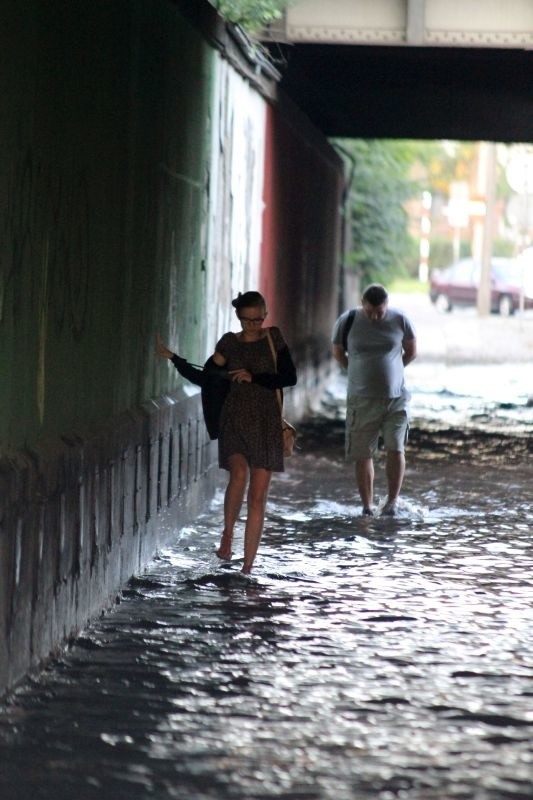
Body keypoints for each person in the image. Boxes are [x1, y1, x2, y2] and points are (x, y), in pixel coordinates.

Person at [157, 291, 297, 573]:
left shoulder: (274, 338)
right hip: (234, 419)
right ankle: (228, 533)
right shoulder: (229, 344)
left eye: (258, 320)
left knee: (258, 496)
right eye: (247, 321)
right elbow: (206, 377)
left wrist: (253, 377)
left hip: (267, 422)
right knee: (240, 472)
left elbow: (289, 377)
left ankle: (247, 567)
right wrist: (175, 359)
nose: (253, 326)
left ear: (265, 315)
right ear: (239, 318)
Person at [331, 283, 417, 517]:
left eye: (379, 312)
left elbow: (411, 351)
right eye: (370, 312)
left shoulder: (400, 320)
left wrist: (394, 370)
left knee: (396, 448)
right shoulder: (347, 320)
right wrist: (356, 371)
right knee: (362, 453)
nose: (375, 317)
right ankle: (367, 506)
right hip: (361, 398)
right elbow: (338, 351)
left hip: (396, 398)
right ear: (362, 304)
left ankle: (392, 501)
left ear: (386, 306)